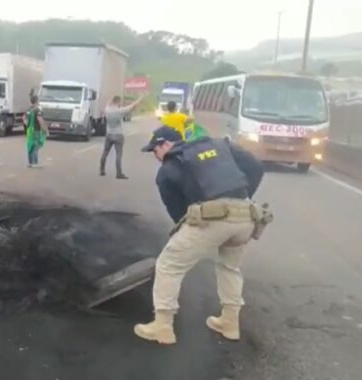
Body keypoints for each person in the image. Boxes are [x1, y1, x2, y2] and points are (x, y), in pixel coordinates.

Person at [134, 127, 270, 345]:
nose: (155, 156)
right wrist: (241, 197)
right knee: (229, 267)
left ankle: (163, 326)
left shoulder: (170, 167)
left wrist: (191, 232)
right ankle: (229, 322)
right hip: (247, 216)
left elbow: (178, 213)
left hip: (213, 219)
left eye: (155, 150)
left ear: (166, 144)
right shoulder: (218, 144)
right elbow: (255, 167)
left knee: (169, 265)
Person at [99, 94, 146, 179]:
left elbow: (107, 104)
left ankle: (102, 170)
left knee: (105, 153)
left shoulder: (107, 110)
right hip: (118, 134)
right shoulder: (120, 111)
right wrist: (140, 98)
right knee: (118, 155)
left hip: (109, 134)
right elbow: (133, 106)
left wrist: (110, 100)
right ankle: (119, 173)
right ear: (118, 102)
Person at [23, 95, 48, 168]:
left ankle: (30, 162)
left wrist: (27, 124)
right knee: (36, 146)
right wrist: (45, 130)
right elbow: (40, 120)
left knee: (30, 145)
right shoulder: (37, 110)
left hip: (29, 130)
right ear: (37, 101)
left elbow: (24, 118)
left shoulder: (28, 109)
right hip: (36, 130)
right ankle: (35, 163)